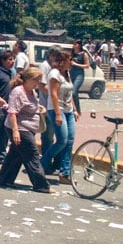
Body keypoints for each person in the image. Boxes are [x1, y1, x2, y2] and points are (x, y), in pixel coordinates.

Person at [0, 67, 51, 193]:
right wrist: (15, 131)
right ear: (27, 79)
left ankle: (4, 180)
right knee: (32, 154)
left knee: (15, 155)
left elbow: (29, 106)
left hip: (29, 127)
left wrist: (39, 108)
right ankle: (41, 184)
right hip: (20, 128)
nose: (37, 83)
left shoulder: (32, 92)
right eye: (35, 80)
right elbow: (12, 112)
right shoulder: (18, 92)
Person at [40, 51, 77, 185]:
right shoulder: (54, 74)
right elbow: (54, 95)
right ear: (62, 61)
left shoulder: (67, 74)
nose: (72, 62)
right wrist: (57, 114)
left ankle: (64, 173)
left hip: (69, 110)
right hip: (57, 109)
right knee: (62, 140)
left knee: (70, 141)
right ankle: (42, 163)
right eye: (70, 59)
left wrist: (75, 109)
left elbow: (70, 93)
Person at [70, 40, 89, 113]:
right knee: (69, 92)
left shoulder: (84, 54)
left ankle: (78, 110)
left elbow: (87, 66)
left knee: (74, 92)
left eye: (75, 44)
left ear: (79, 45)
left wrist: (75, 64)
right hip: (71, 73)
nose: (73, 45)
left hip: (79, 74)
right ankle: (72, 108)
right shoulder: (72, 53)